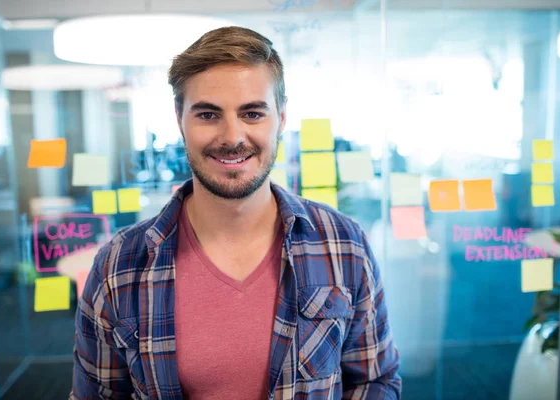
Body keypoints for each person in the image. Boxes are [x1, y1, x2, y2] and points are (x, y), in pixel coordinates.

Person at [71, 26, 401, 400]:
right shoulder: (119, 265)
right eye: (208, 114)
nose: (232, 137)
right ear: (180, 118)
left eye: (252, 113)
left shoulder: (343, 244)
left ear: (282, 117)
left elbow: (375, 380)